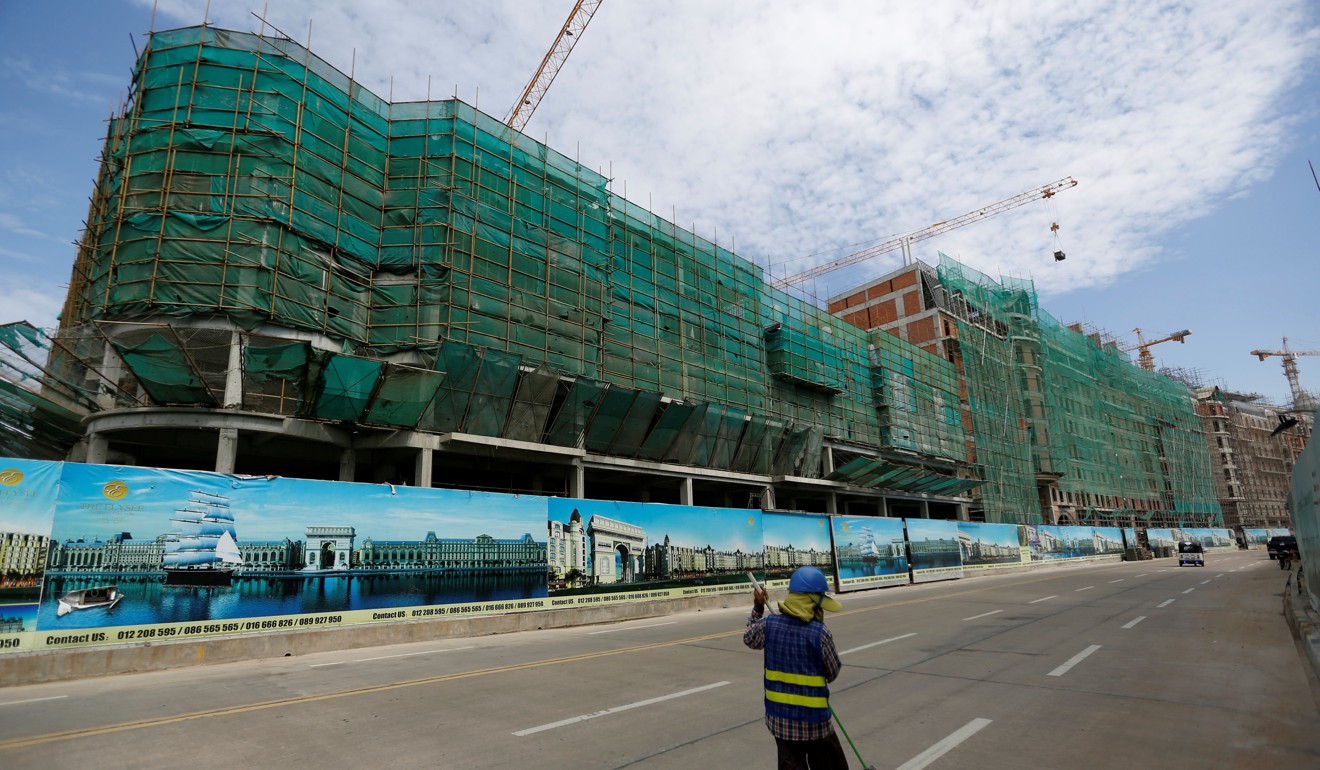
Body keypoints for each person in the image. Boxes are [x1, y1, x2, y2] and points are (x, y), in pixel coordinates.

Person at [744, 566, 848, 769]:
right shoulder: (820, 634)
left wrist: (758, 608)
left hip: (781, 725)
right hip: (816, 725)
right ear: (811, 602)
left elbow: (749, 637)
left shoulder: (769, 625)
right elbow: (832, 672)